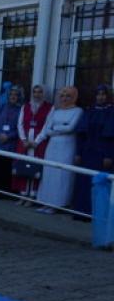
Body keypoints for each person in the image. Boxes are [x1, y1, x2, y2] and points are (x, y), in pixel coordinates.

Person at [35, 86, 83, 213]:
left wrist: (56, 128)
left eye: (68, 96)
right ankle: (46, 202)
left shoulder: (78, 111)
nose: (64, 98)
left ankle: (58, 204)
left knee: (62, 174)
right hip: (53, 145)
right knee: (49, 172)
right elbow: (47, 130)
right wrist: (61, 127)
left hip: (67, 146)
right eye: (62, 96)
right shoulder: (56, 112)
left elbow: (71, 128)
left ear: (74, 97)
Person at [73, 85, 114, 216]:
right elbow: (81, 134)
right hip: (87, 152)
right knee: (84, 181)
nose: (100, 97)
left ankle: (97, 213)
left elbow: (111, 137)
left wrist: (109, 155)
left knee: (100, 182)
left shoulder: (111, 112)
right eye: (98, 94)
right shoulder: (89, 110)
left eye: (103, 94)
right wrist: (78, 153)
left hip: (102, 153)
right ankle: (81, 212)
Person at [13, 84, 52, 203]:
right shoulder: (26, 106)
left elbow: (47, 125)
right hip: (25, 140)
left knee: (35, 167)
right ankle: (23, 193)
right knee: (23, 165)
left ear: (43, 93)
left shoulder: (50, 107)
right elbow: (20, 123)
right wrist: (24, 139)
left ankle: (32, 195)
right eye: (35, 92)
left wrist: (37, 141)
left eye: (39, 92)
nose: (37, 94)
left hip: (38, 142)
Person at [0, 86, 23, 198]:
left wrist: (9, 136)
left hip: (9, 144)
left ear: (19, 97)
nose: (13, 97)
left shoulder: (20, 110)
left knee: (4, 169)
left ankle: (1, 193)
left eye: (15, 95)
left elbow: (20, 128)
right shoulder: (2, 107)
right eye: (11, 94)